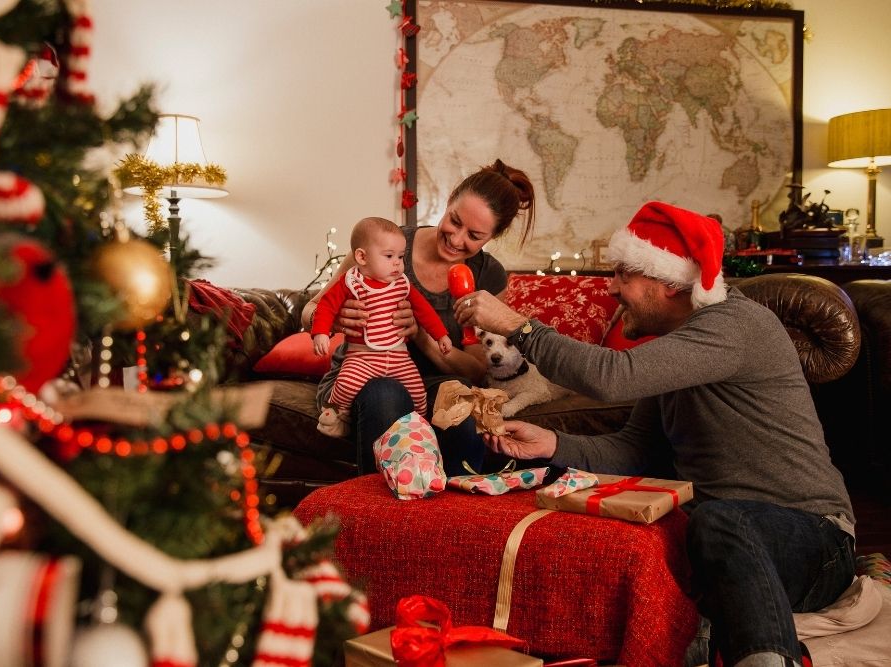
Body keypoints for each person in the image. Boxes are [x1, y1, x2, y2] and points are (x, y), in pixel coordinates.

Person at [455, 201, 855, 667]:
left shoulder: (735, 325)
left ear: (667, 281)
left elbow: (612, 376)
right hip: (724, 541)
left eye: (623, 273)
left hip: (815, 539)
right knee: (652, 530)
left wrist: (518, 327)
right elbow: (632, 449)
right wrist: (553, 444)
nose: (611, 287)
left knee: (719, 519)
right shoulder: (678, 349)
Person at [300, 159, 535, 476]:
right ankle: (377, 517)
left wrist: (422, 336)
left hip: (429, 385)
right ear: (449, 199)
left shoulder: (488, 276)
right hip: (361, 379)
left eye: (474, 235)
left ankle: (453, 514)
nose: (456, 239)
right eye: (454, 221)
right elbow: (309, 312)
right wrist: (338, 319)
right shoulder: (387, 245)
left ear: (491, 237)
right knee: (386, 394)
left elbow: (478, 370)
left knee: (460, 404)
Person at [311, 217, 452, 437]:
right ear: (362, 257)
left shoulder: (403, 285)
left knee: (418, 392)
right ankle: (336, 417)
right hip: (362, 359)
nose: (397, 263)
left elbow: (424, 311)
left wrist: (440, 335)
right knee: (346, 384)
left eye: (400, 257)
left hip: (399, 359)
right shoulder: (351, 282)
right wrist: (321, 332)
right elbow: (325, 306)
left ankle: (422, 428)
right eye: (389, 256)